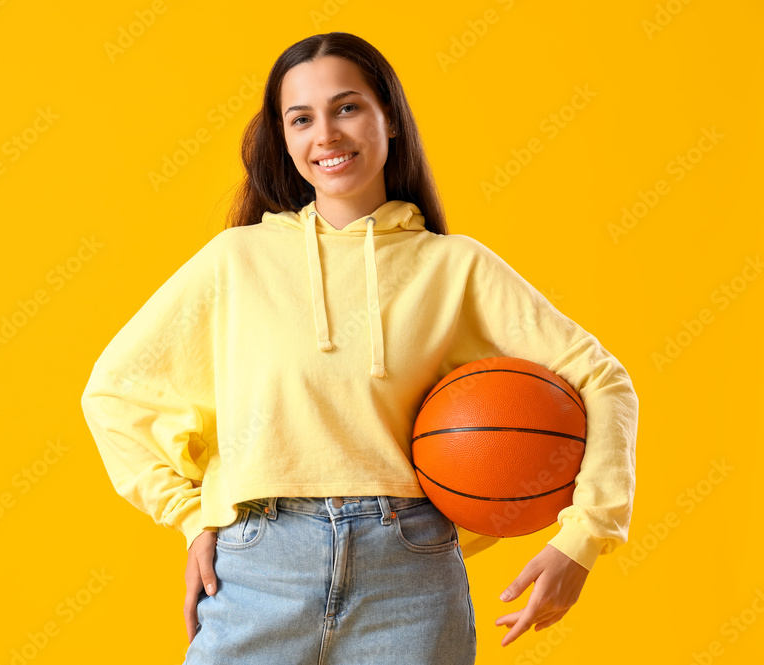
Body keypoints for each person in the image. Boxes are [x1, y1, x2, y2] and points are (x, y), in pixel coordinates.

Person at [80, 31, 638, 664]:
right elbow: (115, 392)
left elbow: (604, 380)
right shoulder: (236, 262)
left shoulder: (455, 268)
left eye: (347, 108)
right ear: (284, 139)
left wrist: (583, 537)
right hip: (260, 562)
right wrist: (190, 516)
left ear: (390, 119)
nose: (327, 135)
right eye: (301, 118)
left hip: (411, 573)